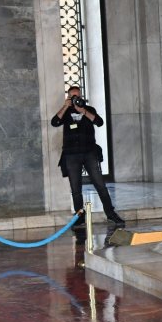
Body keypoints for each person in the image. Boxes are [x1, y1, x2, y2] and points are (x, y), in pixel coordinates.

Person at [51, 86, 124, 227]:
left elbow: (99, 122)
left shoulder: (89, 110)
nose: (76, 99)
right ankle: (79, 217)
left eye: (78, 96)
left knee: (100, 185)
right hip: (71, 155)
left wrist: (83, 111)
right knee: (76, 189)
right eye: (73, 97)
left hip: (89, 153)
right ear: (68, 98)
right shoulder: (65, 112)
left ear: (81, 96)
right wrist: (65, 107)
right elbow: (54, 122)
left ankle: (111, 214)